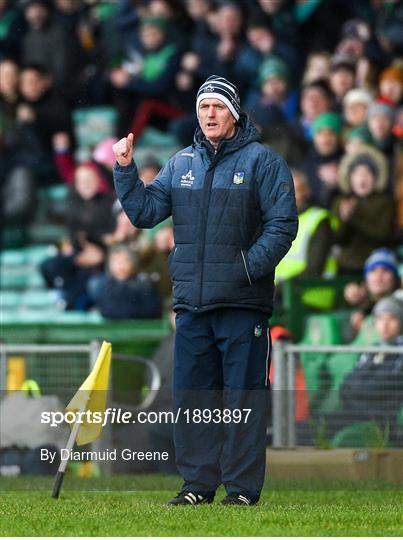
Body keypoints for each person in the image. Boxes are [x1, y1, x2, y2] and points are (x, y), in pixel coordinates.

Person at [113, 75, 298, 506]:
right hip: (192, 307)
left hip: (242, 305)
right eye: (202, 107)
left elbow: (283, 225)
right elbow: (144, 212)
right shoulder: (181, 164)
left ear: (233, 113)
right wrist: (125, 170)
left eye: (217, 107)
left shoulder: (263, 163)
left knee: (241, 402)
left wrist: (246, 268)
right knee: (193, 403)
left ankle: (242, 490)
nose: (209, 114)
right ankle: (197, 486)